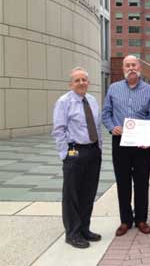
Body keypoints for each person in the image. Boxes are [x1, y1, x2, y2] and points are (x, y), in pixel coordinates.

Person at [102, 55, 150, 236]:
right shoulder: (113, 89)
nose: (131, 68)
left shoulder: (149, 90)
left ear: (139, 67)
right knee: (123, 182)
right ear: (123, 68)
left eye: (134, 65)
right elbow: (106, 114)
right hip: (121, 142)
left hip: (142, 144)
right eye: (128, 65)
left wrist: (148, 139)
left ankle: (141, 219)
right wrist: (112, 127)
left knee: (141, 183)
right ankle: (125, 220)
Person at [52, 67, 102, 249]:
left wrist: (99, 148)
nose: (81, 83)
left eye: (84, 80)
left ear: (88, 82)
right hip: (75, 152)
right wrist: (65, 154)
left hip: (93, 151)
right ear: (71, 84)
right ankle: (72, 233)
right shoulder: (64, 102)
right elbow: (58, 130)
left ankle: (84, 229)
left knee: (88, 193)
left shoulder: (93, 100)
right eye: (77, 80)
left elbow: (96, 127)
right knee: (72, 195)